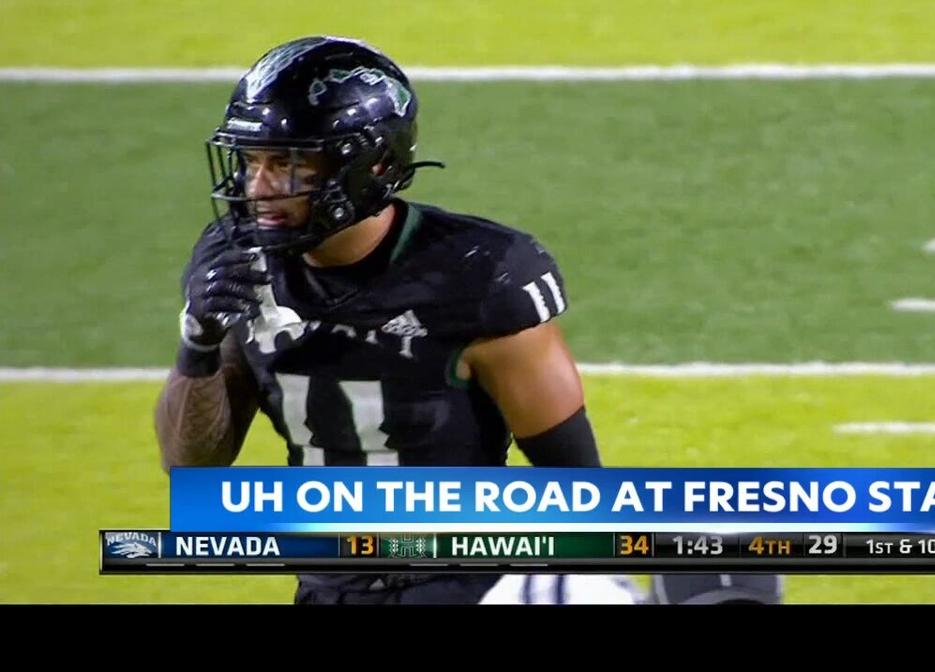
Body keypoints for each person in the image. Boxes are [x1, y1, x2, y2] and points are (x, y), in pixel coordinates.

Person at [153, 35, 601, 605]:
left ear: (373, 165)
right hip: (326, 587)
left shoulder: (479, 276)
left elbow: (578, 487)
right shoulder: (239, 261)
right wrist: (197, 342)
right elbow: (191, 468)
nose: (258, 189)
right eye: (251, 161)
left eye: (288, 164)